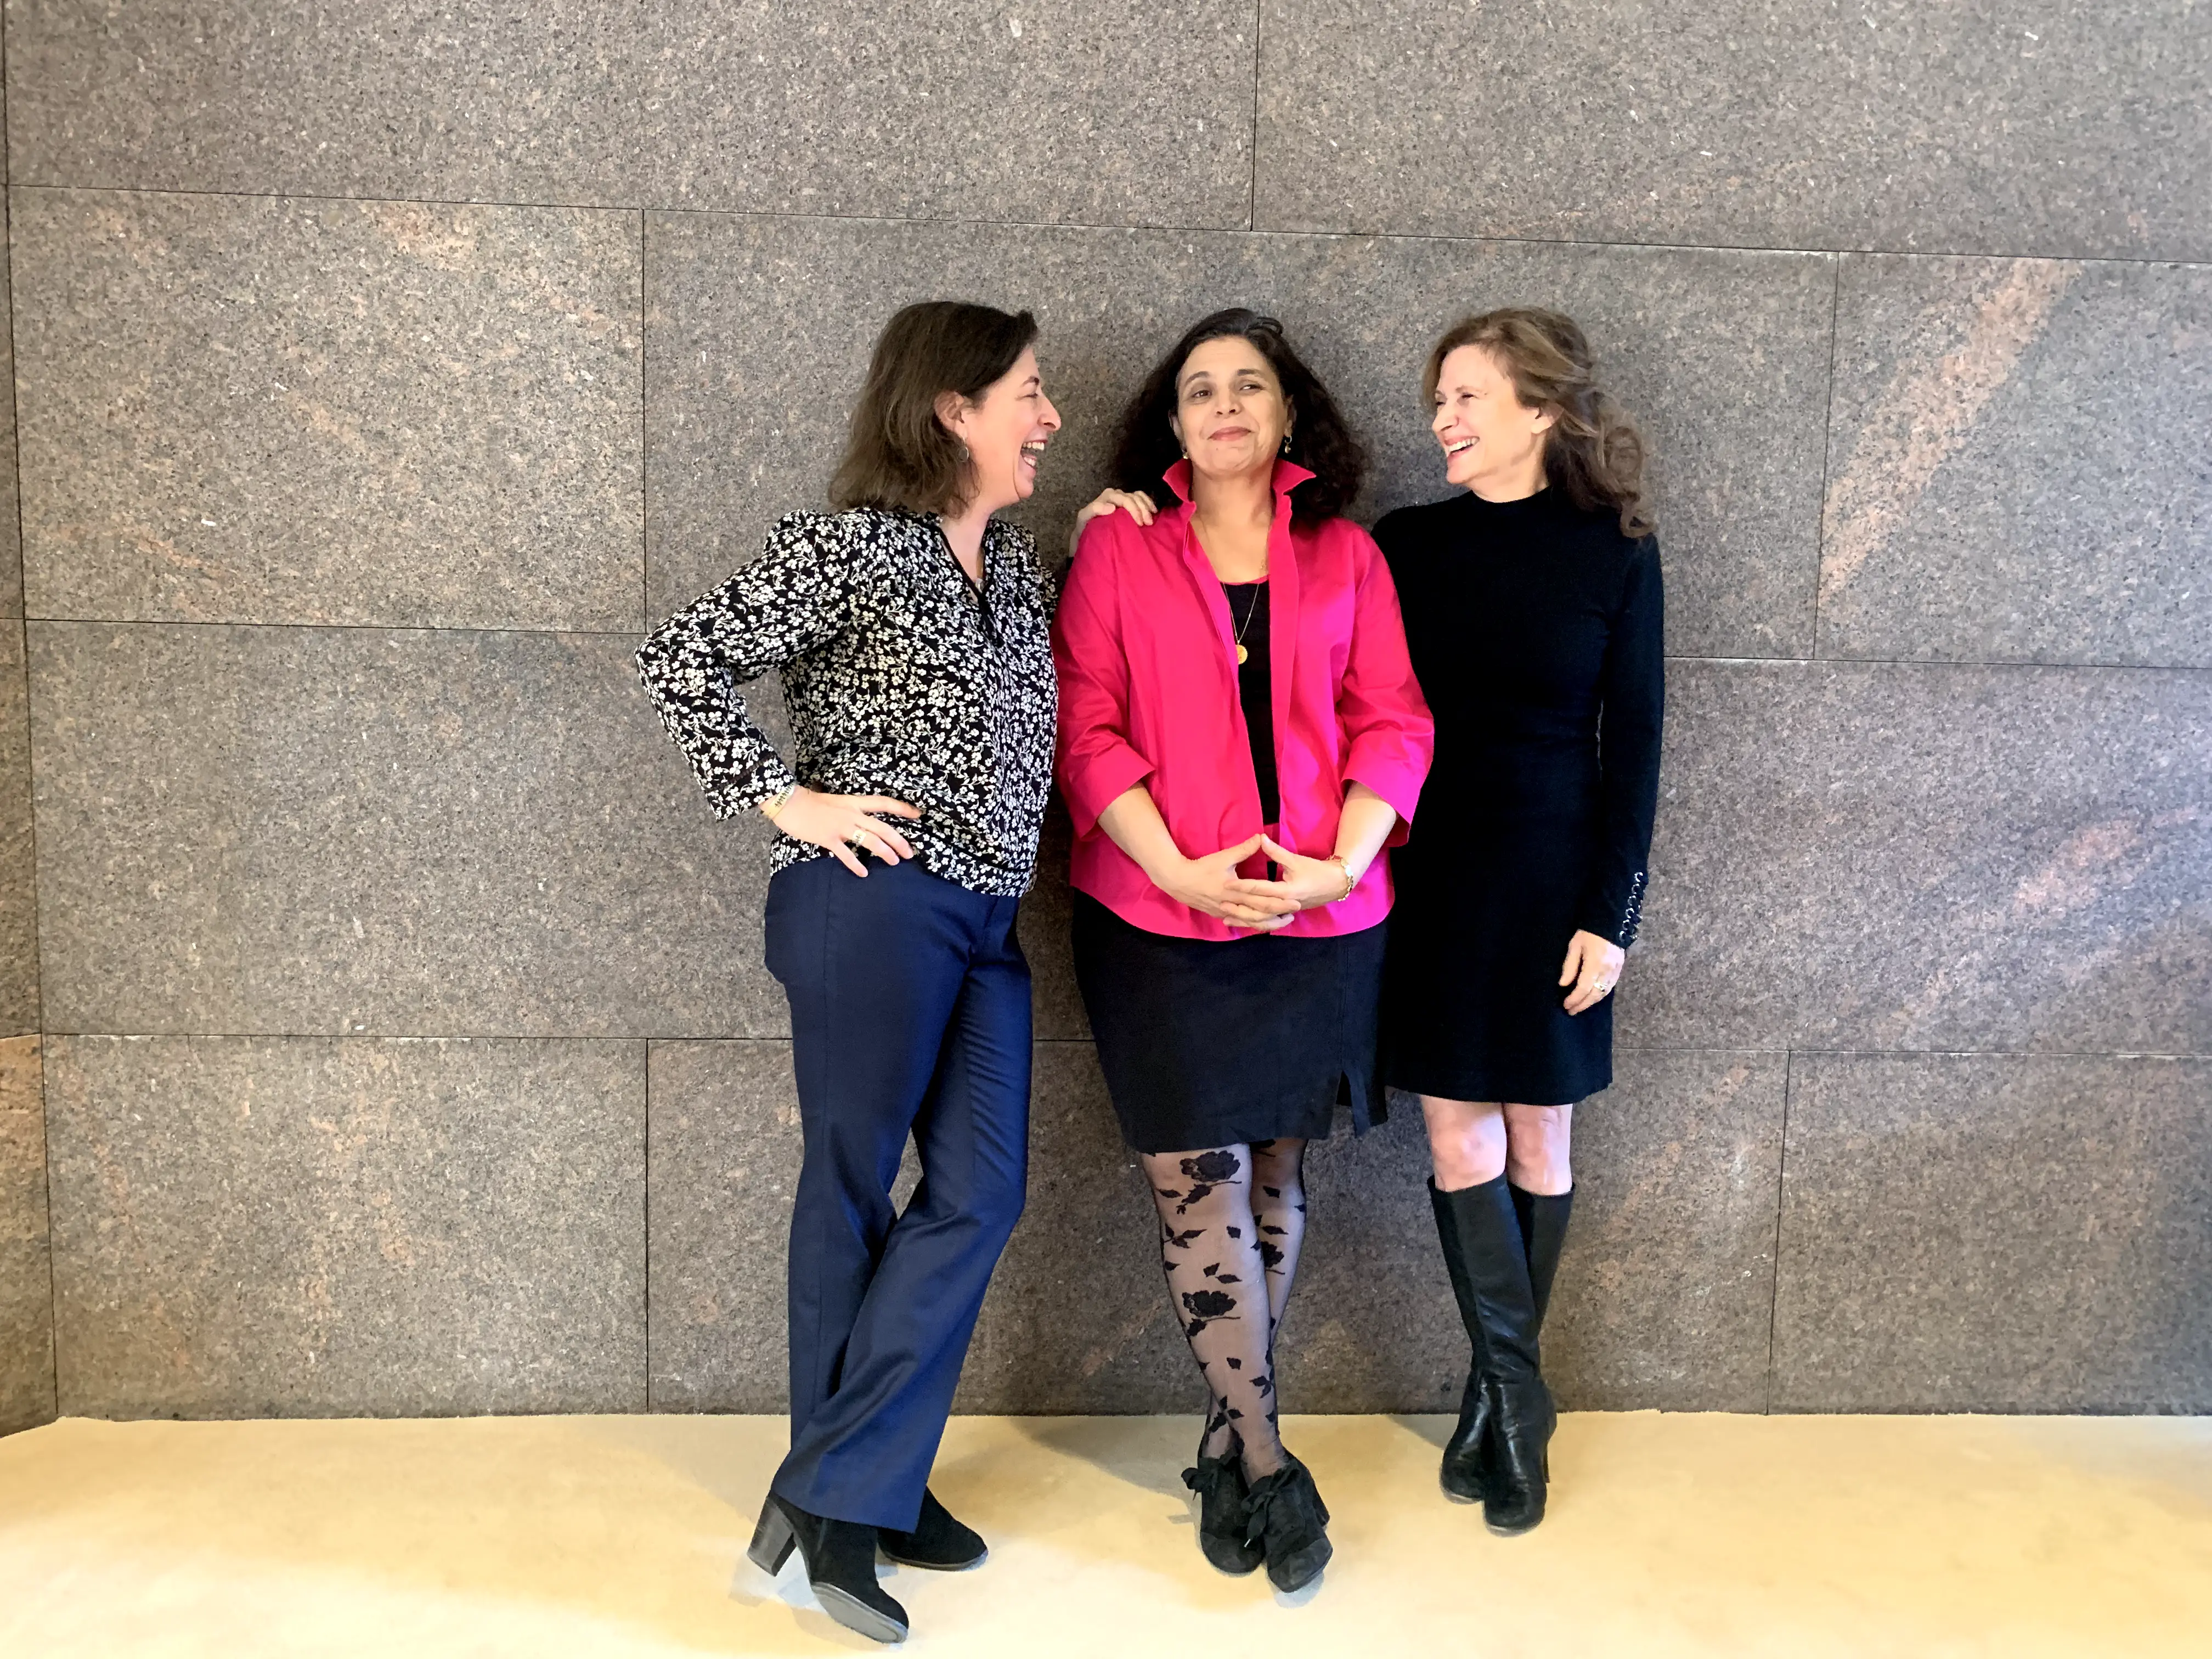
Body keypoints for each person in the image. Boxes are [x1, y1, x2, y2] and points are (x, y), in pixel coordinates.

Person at [636, 300, 1063, 1645]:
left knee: (981, 1195)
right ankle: (851, 1503)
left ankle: (841, 1487)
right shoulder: (854, 550)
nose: (1048, 417)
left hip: (988, 922)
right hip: (871, 905)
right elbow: (680, 658)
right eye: (1028, 395)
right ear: (953, 407)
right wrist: (786, 797)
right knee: (850, 1187)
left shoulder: (1024, 570)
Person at [1054, 308, 1432, 1593]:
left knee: (1275, 1171)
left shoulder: (1349, 558)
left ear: (1288, 417)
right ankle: (1269, 1463)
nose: (1224, 404)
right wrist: (1172, 864)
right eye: (1200, 389)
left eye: (1249, 386)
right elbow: (1086, 726)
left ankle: (1223, 1439)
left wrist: (1348, 858)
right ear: (1171, 425)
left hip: (1320, 916)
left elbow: (1393, 719)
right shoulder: (1117, 550)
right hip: (1159, 921)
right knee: (1195, 1180)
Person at [1375, 308, 1665, 1536]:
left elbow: (1638, 746)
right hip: (1431, 878)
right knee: (1459, 1146)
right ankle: (1520, 1417)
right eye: (1438, 398)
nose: (1442, 419)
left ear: (1541, 411)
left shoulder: (1617, 551)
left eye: (1467, 397)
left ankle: (1499, 1407)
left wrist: (1616, 916)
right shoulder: (1402, 544)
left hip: (1557, 883)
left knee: (1541, 1149)